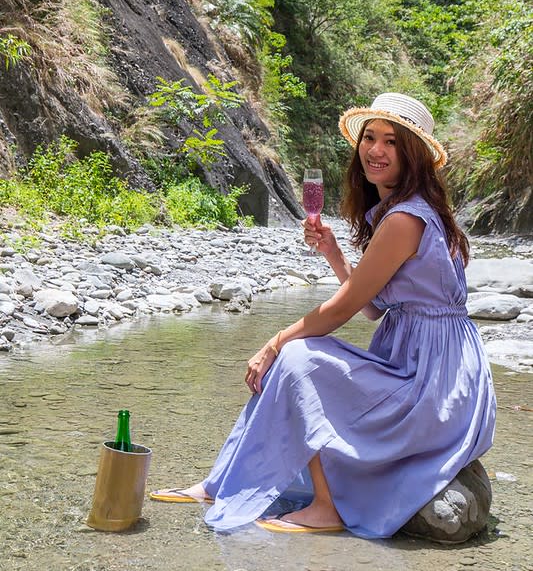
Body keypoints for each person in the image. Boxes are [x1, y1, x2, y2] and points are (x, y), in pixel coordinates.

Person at [150, 92, 497, 538]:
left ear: (413, 154)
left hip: (433, 385)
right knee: (299, 354)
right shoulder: (406, 213)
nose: (376, 150)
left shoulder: (405, 220)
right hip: (425, 368)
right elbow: (373, 307)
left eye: (392, 142)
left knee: (297, 358)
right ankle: (224, 480)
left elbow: (342, 310)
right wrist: (334, 252)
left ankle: (327, 506)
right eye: (369, 138)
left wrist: (275, 341)